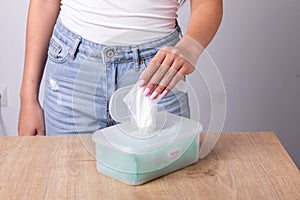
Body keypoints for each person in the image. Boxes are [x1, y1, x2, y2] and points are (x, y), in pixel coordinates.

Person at [18, 0, 223, 136]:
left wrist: (190, 47)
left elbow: (207, 3)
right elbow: (44, 2)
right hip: (72, 73)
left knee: (166, 188)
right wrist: (27, 97)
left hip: (157, 71)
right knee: (71, 183)